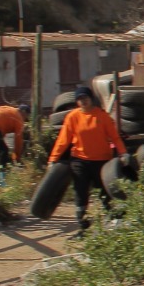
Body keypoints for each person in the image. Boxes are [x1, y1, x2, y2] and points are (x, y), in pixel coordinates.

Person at [48, 88, 128, 233]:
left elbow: (115, 137)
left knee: (104, 191)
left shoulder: (102, 116)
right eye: (80, 99)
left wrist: (123, 153)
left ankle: (115, 221)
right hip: (80, 161)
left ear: (91, 98)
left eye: (85, 98)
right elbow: (63, 140)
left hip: (102, 161)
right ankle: (83, 225)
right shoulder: (72, 117)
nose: (83, 101)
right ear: (77, 102)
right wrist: (53, 159)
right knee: (80, 191)